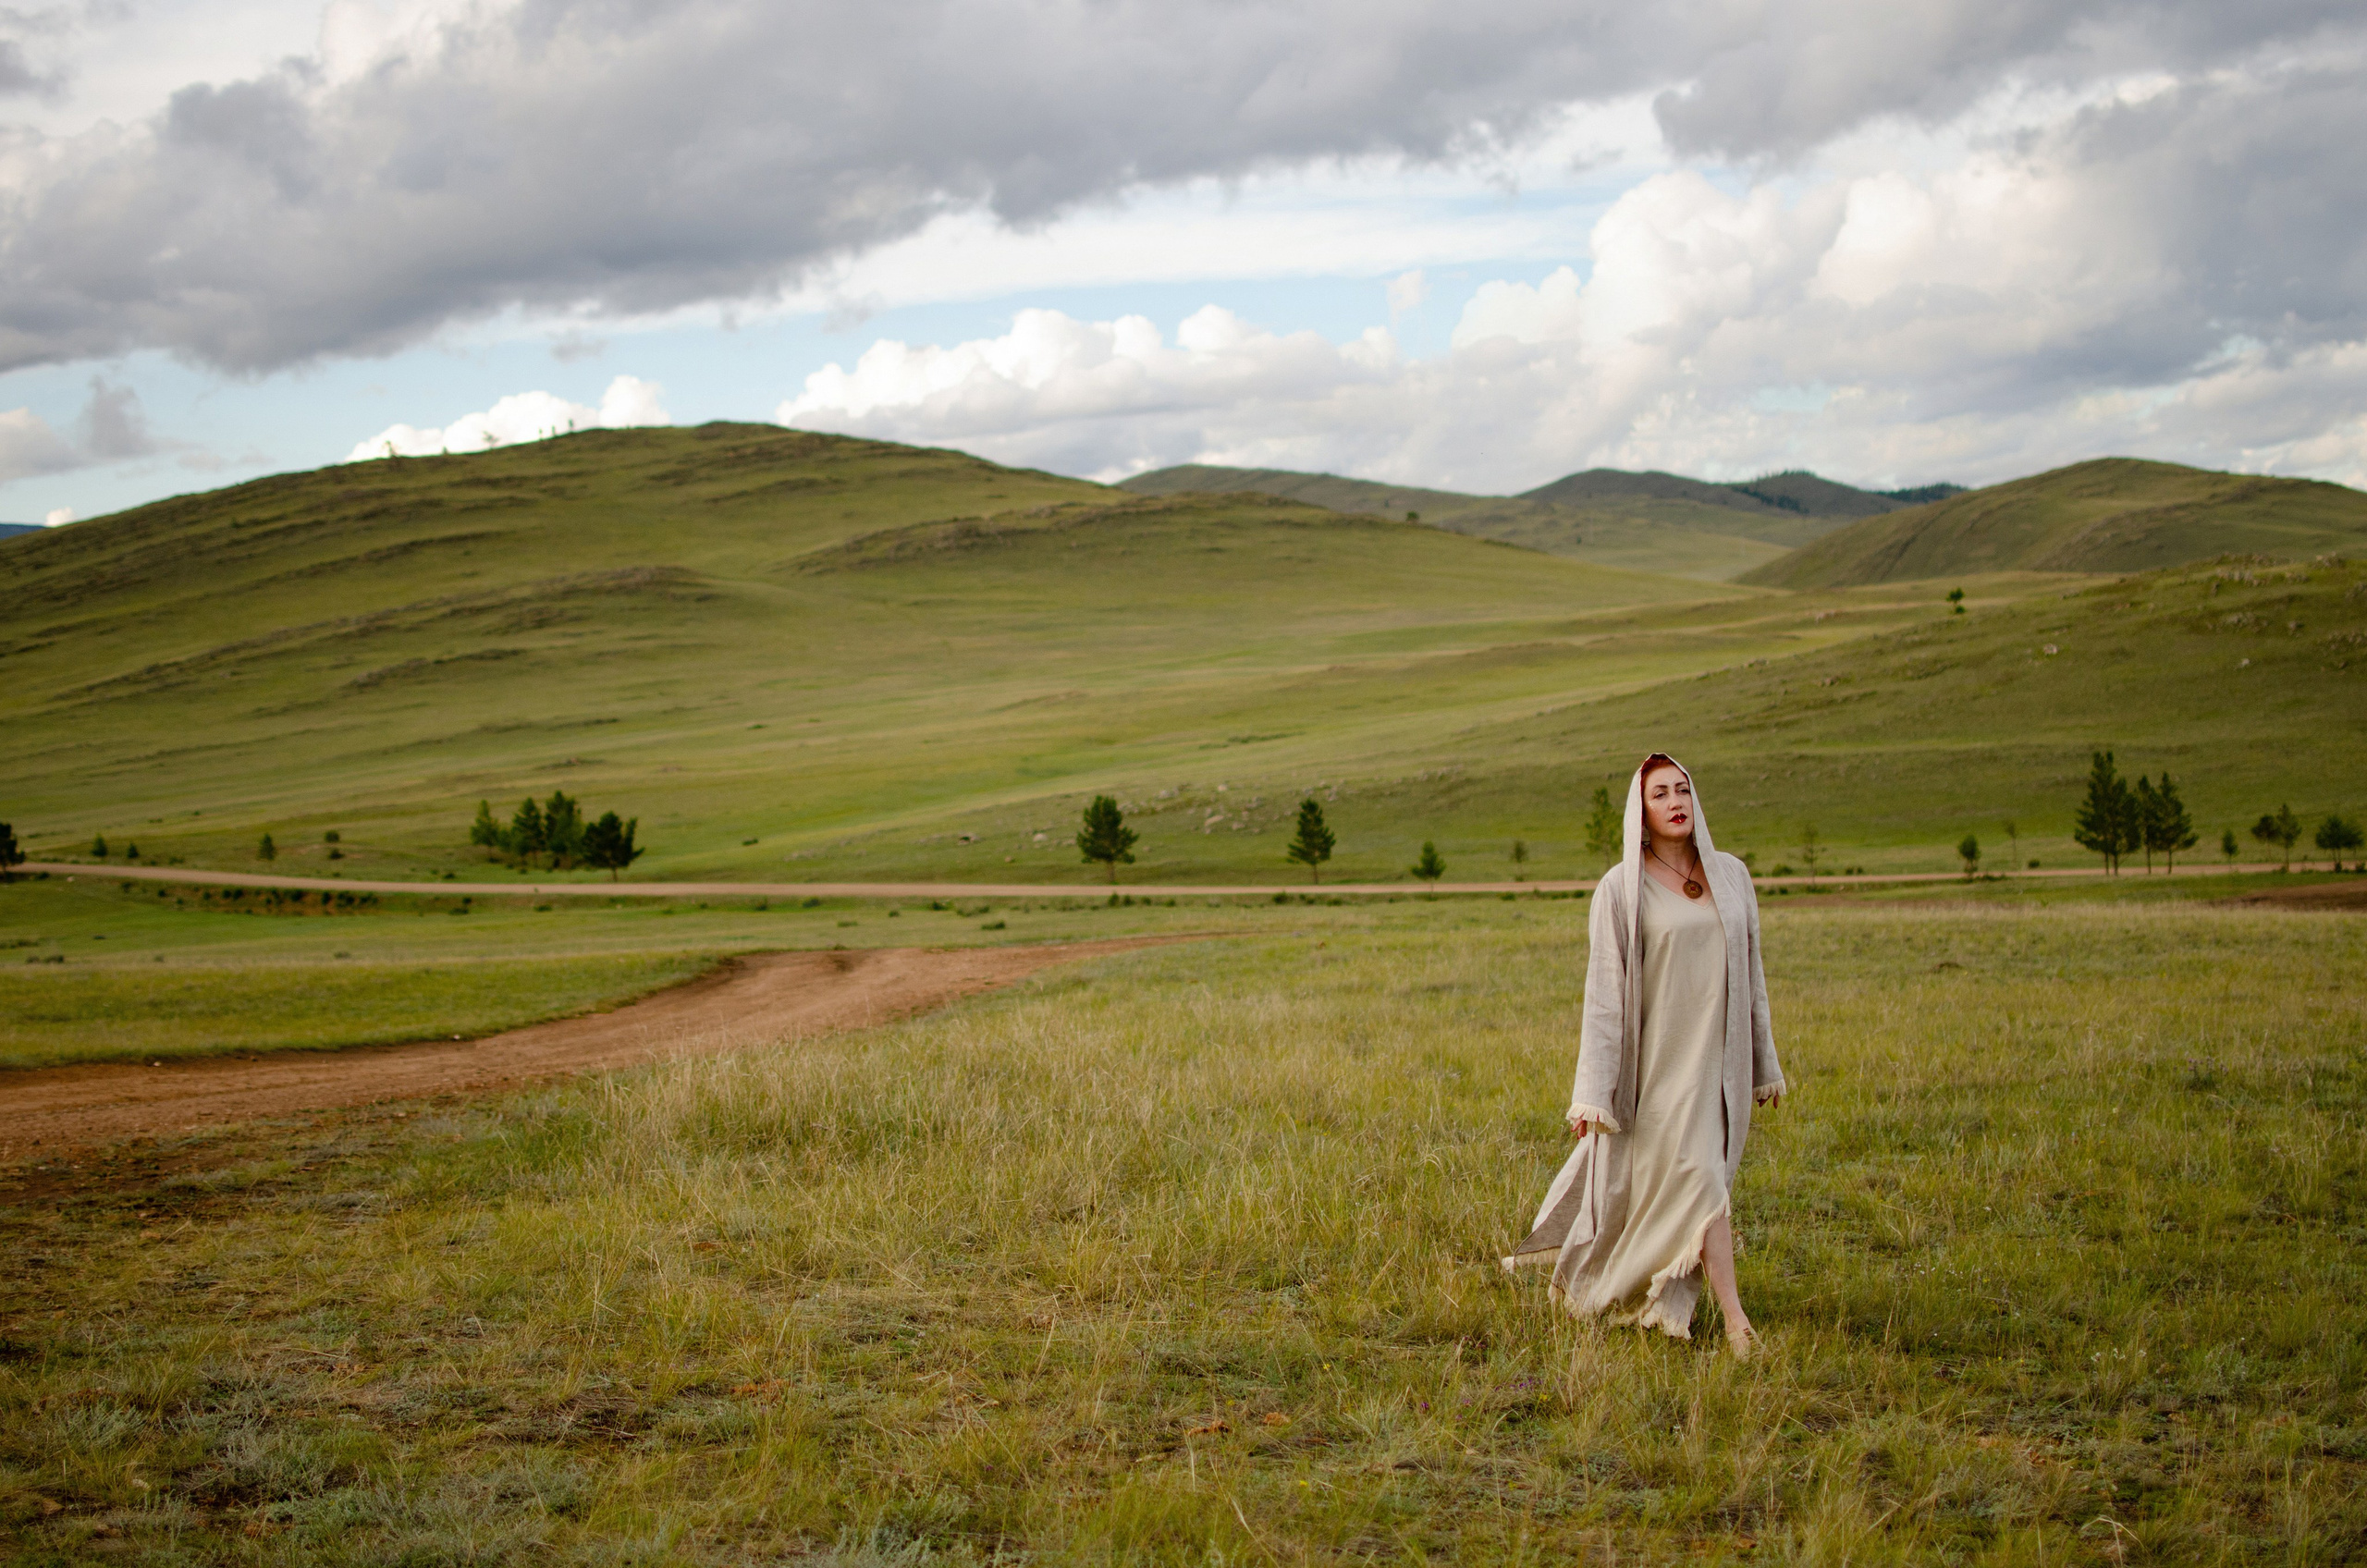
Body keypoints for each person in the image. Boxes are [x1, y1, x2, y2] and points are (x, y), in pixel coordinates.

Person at [1504, 753, 1784, 1354]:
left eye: (1682, 789)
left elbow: (1753, 975)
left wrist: (1765, 1065)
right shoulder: (1619, 889)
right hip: (1656, 1068)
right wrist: (1593, 1092)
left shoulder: (1733, 877)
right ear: (1641, 810)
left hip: (1718, 1064)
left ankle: (1616, 1285)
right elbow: (1604, 997)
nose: (1675, 801)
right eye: (1660, 794)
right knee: (1703, 1180)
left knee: (1700, 1177)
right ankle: (1736, 1321)